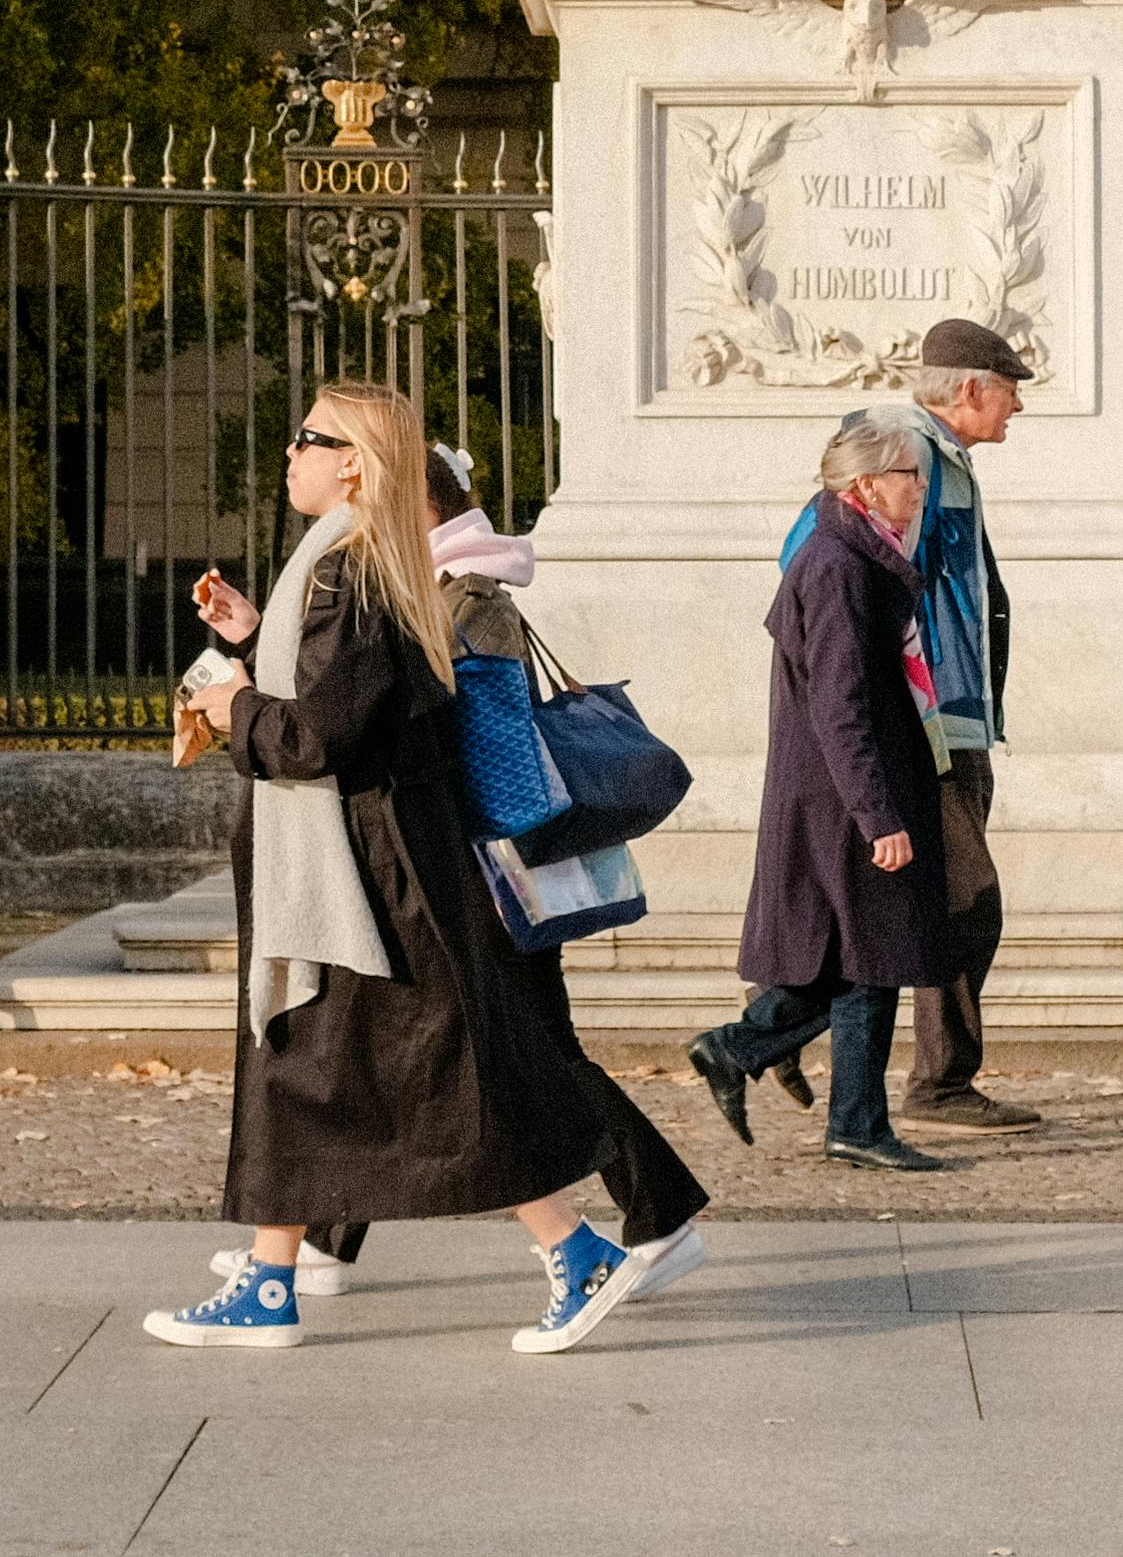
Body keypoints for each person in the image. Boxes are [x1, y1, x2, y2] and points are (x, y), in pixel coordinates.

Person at [148, 380, 641, 1356]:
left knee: (425, 1079)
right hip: (364, 869)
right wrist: (253, 647)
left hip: (369, 878)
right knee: (307, 1065)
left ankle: (576, 1248)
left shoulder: (350, 570)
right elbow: (343, 694)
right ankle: (271, 1275)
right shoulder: (350, 566)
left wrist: (232, 704)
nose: (288, 451)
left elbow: (320, 734)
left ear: (354, 465)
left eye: (308, 437)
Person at [238, 449, 713, 1317]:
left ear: (419, 503)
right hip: (453, 850)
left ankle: (655, 1211)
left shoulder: (459, 593)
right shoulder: (437, 583)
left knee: (510, 1053)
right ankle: (309, 1241)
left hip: (475, 858)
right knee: (418, 1051)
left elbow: (389, 720)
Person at [689, 401, 953, 1175]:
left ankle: (749, 1054)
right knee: (870, 957)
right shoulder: (838, 567)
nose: (920, 490)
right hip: (846, 795)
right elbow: (841, 706)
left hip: (846, 787)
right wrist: (878, 814)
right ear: (868, 485)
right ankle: (850, 1119)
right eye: (911, 476)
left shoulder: (855, 554)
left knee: (856, 954)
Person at [884, 320, 1027, 1130]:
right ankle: (937, 1082)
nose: (1016, 406)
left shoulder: (943, 458)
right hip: (936, 717)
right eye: (1008, 389)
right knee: (967, 900)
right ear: (969, 388)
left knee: (945, 903)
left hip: (958, 715)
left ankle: (937, 1078)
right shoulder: (913, 456)